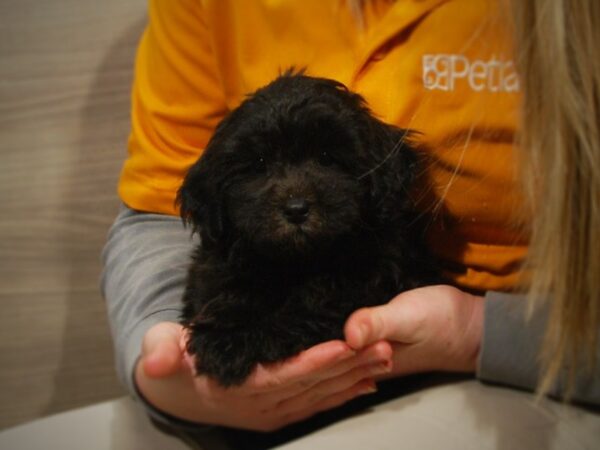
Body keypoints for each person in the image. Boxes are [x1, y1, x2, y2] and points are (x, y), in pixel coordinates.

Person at [101, 0, 599, 441]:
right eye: (259, 170)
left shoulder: (380, 248)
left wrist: (477, 334)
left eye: (328, 161)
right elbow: (159, 214)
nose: (294, 195)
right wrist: (164, 363)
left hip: (518, 376)